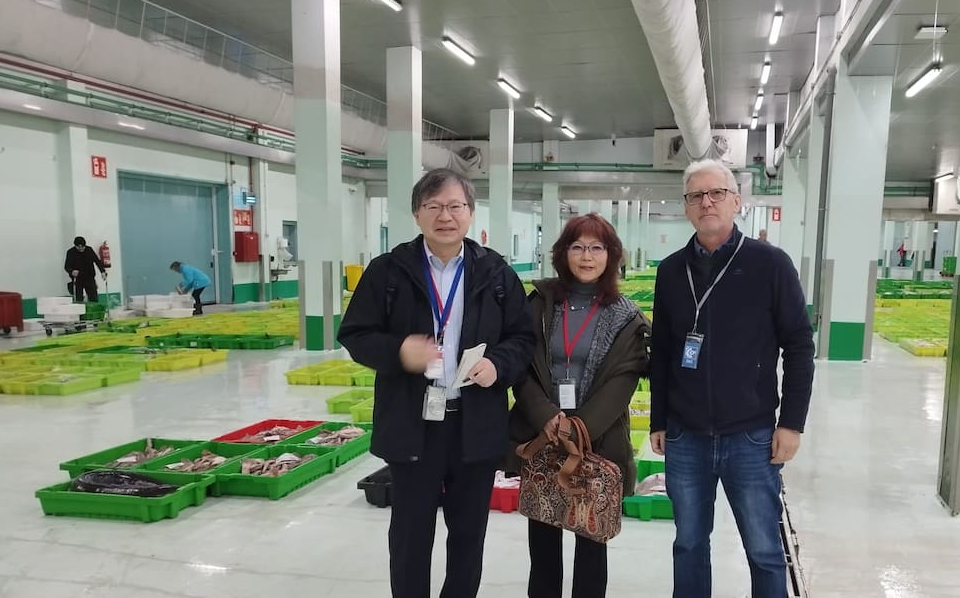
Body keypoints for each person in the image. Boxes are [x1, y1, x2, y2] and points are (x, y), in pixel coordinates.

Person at [337, 168, 535, 598]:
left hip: (474, 422)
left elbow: (523, 337)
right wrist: (398, 353)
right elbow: (354, 334)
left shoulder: (496, 272)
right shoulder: (388, 272)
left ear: (470, 213)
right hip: (413, 424)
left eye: (455, 206)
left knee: (468, 534)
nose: (445, 216)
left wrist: (499, 365)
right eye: (433, 206)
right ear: (416, 213)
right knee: (410, 533)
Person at [649, 159, 815, 598]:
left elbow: (799, 346)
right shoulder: (670, 271)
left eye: (716, 193)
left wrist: (792, 423)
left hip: (752, 435)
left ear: (736, 201)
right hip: (686, 436)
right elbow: (663, 350)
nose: (706, 202)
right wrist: (659, 419)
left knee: (763, 548)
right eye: (695, 195)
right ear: (686, 207)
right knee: (688, 542)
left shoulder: (771, 265)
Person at [507, 213, 650, 598]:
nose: (587, 257)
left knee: (591, 543)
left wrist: (578, 427)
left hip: (597, 441)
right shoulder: (540, 303)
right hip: (542, 435)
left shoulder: (626, 316)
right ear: (563, 253)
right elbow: (522, 365)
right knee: (543, 545)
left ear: (611, 255)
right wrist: (545, 417)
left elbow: (625, 377)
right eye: (578, 247)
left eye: (597, 248)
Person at [64, 236, 106, 303]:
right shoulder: (71, 252)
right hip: (77, 279)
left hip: (89, 278)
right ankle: (79, 312)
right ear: (75, 246)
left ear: (85, 245)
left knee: (93, 297)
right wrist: (71, 271)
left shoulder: (89, 250)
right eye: (78, 247)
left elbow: (97, 261)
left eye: (82, 247)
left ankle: (94, 311)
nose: (81, 249)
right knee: (78, 299)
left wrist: (102, 271)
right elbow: (66, 266)